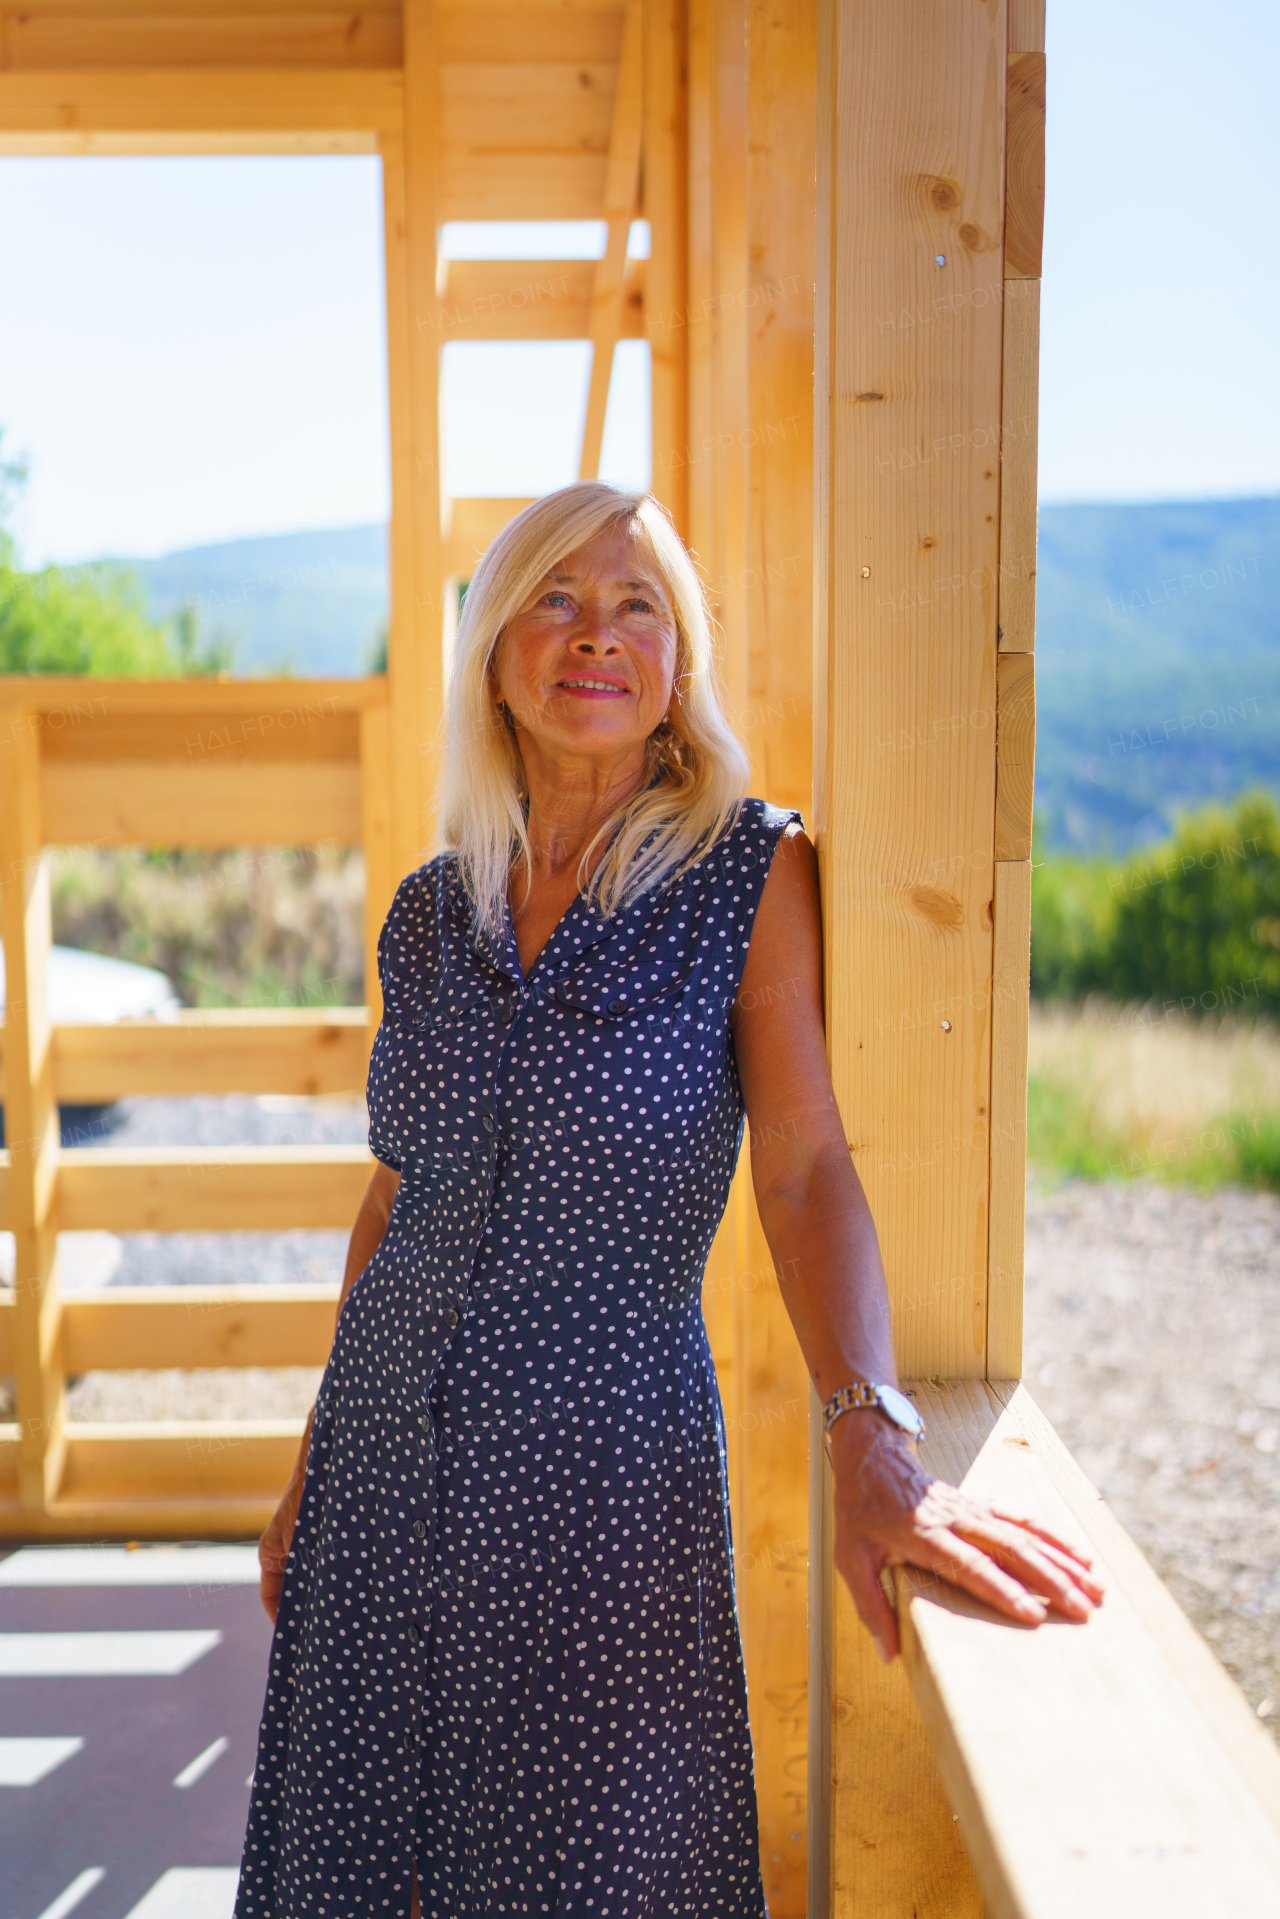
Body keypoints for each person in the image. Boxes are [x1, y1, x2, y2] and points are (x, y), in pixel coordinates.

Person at [237, 482, 1100, 1918]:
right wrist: (315, 1458)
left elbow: (810, 1165)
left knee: (597, 1870)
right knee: (356, 1865)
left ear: (680, 661)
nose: (599, 632)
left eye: (639, 603)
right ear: (496, 649)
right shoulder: (426, 913)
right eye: (558, 600)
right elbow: (401, 1201)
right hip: (382, 1477)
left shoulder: (751, 873)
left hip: (604, 1491)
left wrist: (872, 1434)